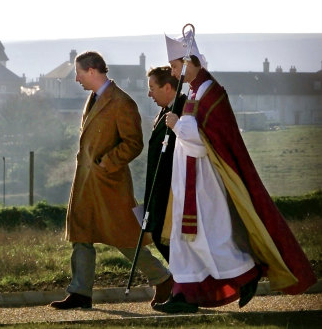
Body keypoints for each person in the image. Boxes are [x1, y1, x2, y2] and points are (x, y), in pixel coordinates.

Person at [153, 30, 316, 313]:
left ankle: (246, 273)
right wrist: (179, 125)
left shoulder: (210, 92)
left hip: (204, 179)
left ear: (190, 61)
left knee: (209, 237)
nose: (174, 72)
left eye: (176, 66)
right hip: (186, 177)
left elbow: (206, 138)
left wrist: (177, 124)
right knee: (185, 237)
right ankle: (184, 294)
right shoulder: (193, 90)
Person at [50, 51, 173, 310]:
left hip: (110, 184)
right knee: (81, 234)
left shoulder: (121, 102)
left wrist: (107, 162)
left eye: (79, 73)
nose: (76, 78)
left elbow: (134, 143)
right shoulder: (93, 99)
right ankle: (80, 292)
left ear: (92, 71)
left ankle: (163, 278)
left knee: (125, 238)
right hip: (86, 182)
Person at [144, 66, 187, 263]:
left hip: (173, 189)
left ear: (168, 87)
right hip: (159, 187)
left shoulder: (183, 110)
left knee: (165, 238)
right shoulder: (164, 111)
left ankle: (185, 286)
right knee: (158, 236)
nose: (149, 93)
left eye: (152, 87)